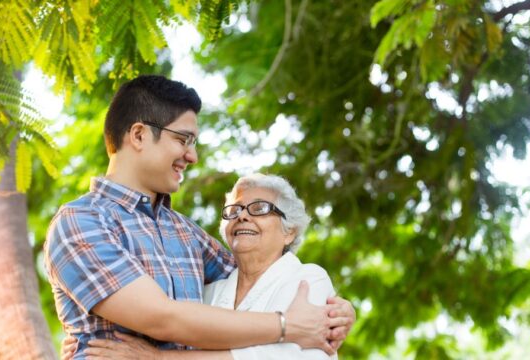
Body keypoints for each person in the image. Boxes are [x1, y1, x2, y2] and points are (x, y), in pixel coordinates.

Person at [44, 75, 355, 359]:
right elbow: (161, 318)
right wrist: (287, 325)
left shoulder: (185, 232)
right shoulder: (80, 222)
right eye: (183, 139)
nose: (192, 156)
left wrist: (335, 311)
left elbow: (258, 275)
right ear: (138, 135)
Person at [82, 173, 340, 359]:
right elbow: (181, 337)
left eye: (259, 208)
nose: (242, 216)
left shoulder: (309, 279)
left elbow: (285, 356)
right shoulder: (210, 292)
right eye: (233, 210)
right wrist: (83, 338)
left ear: (290, 232)